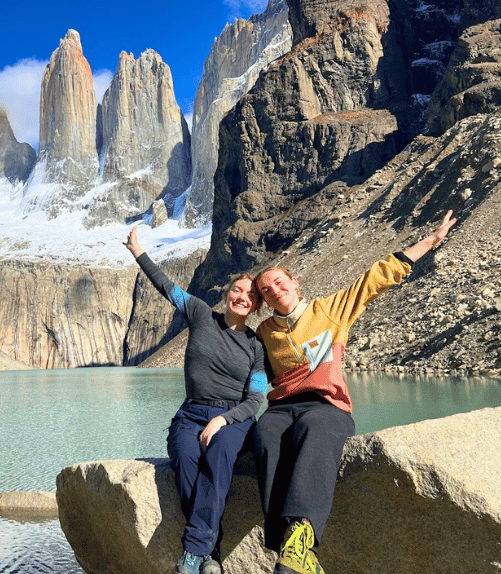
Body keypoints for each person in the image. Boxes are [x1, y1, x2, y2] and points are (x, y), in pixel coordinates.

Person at [251, 210, 458, 574]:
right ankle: (286, 545)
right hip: (282, 407)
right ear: (264, 300)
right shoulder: (265, 331)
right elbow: (250, 371)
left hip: (326, 405)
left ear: (295, 282)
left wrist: (431, 241)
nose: (275, 291)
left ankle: (302, 536)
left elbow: (375, 278)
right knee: (265, 434)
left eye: (280, 283)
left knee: (313, 429)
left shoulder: (329, 310)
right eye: (267, 290)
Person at [125, 226, 269, 574]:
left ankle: (191, 556)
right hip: (190, 414)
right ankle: (211, 553)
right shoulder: (201, 314)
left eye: (249, 296)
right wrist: (138, 253)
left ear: (255, 306)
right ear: (226, 294)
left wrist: (224, 419)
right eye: (237, 290)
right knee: (186, 458)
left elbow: (256, 398)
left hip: (233, 417)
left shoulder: (256, 346)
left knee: (219, 452)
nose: (242, 297)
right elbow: (166, 287)